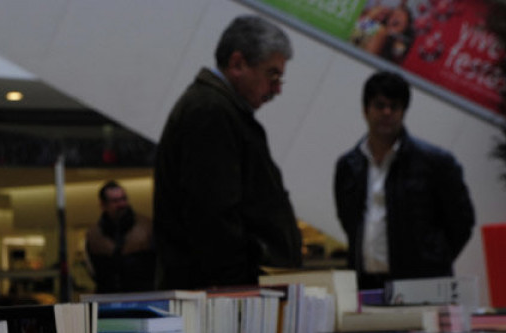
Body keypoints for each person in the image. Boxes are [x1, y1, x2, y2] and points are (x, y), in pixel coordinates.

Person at [154, 15, 302, 290]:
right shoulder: (210, 113)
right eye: (273, 75)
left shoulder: (220, 110)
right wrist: (239, 290)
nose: (277, 89)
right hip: (224, 297)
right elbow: (213, 217)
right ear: (238, 64)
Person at [334, 71, 475, 293]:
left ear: (404, 111)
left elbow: (462, 223)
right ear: (365, 110)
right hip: (366, 284)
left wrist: (433, 261)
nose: (387, 112)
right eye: (379, 105)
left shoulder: (436, 164)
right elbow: (348, 221)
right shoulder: (348, 166)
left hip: (422, 284)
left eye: (395, 106)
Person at [86, 180, 155, 293]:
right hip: (109, 295)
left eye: (123, 199)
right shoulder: (94, 234)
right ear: (103, 205)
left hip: (142, 294)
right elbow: (94, 270)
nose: (122, 204)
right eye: (115, 201)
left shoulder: (146, 228)